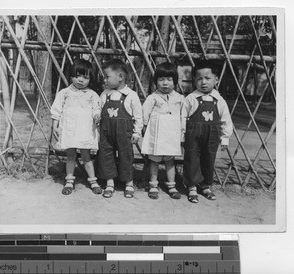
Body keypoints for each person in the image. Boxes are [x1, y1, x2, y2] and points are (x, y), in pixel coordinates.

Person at [181, 60, 233, 203]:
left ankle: (206, 186)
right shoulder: (191, 98)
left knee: (209, 159)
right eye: (199, 79)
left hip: (212, 135)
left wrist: (225, 137)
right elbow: (183, 117)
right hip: (193, 134)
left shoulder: (219, 100)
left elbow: (226, 119)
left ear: (216, 79)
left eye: (207, 78)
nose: (203, 82)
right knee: (191, 158)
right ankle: (191, 186)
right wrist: (182, 135)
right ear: (194, 80)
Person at [51, 58, 101, 195]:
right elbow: (56, 110)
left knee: (86, 156)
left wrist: (97, 116)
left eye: (85, 77)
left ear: (90, 79)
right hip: (70, 128)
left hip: (85, 129)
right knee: (71, 155)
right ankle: (69, 181)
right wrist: (55, 125)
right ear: (71, 76)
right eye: (77, 76)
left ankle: (93, 180)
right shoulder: (65, 93)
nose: (80, 80)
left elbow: (96, 108)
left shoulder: (92, 95)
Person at [97, 59, 143, 199]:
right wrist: (96, 117)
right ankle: (110, 182)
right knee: (106, 155)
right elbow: (98, 110)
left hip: (125, 133)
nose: (104, 80)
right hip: (106, 133)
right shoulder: (105, 94)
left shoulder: (131, 95)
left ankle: (128, 183)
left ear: (120, 77)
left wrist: (137, 132)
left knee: (126, 157)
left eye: (107, 76)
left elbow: (138, 116)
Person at [141, 62, 184, 200]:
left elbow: (184, 116)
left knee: (170, 160)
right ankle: (153, 185)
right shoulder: (152, 98)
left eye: (169, 80)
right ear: (156, 81)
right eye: (161, 79)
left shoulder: (179, 98)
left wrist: (182, 133)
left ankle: (172, 185)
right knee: (154, 160)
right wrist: (144, 128)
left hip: (171, 134)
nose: (165, 83)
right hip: (157, 134)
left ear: (175, 81)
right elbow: (145, 114)